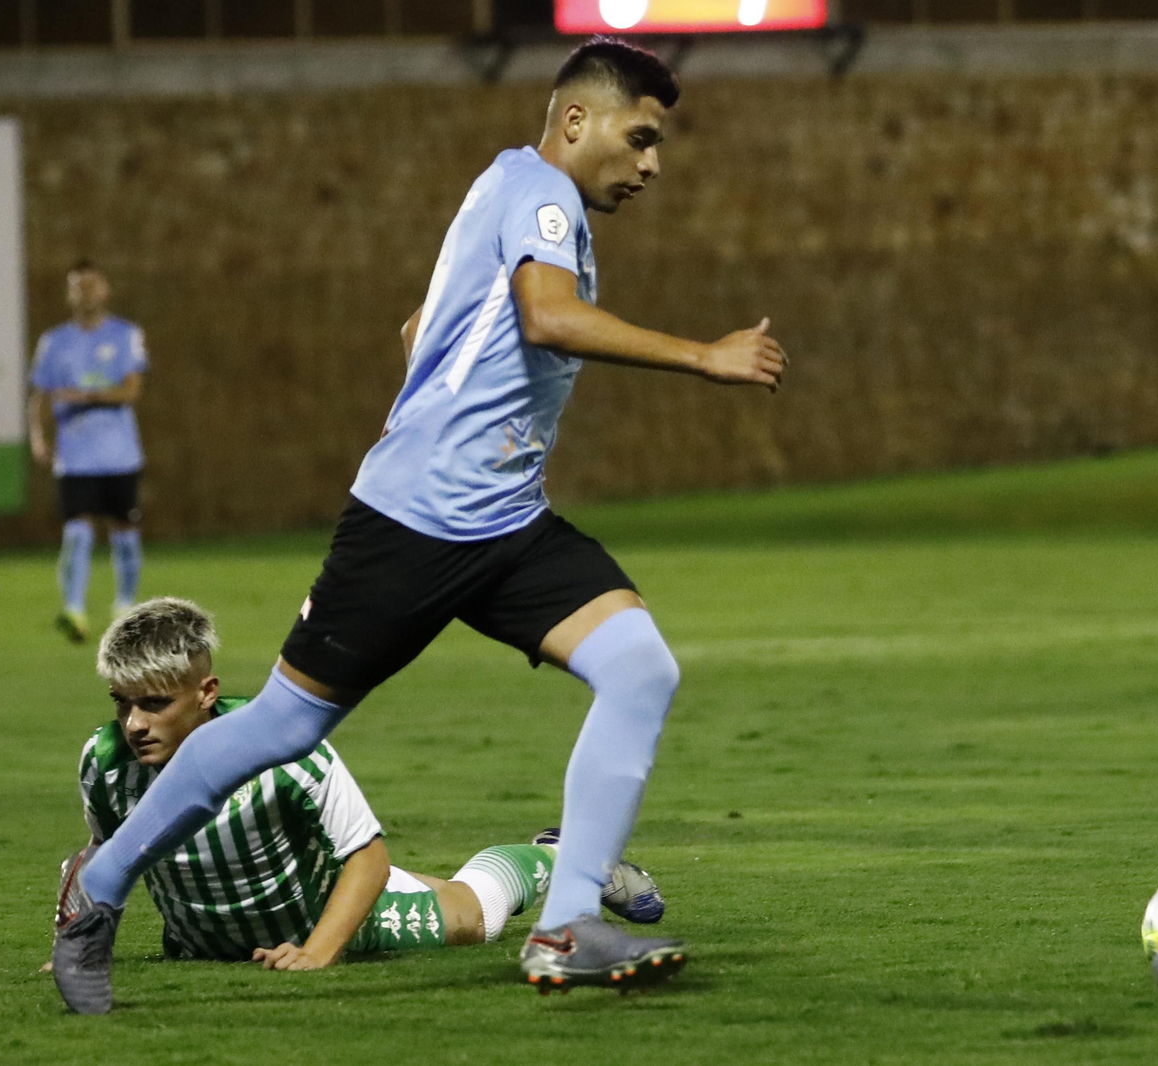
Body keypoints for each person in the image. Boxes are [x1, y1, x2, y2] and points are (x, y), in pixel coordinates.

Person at [53, 36, 787, 1012]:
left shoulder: (510, 191)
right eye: (641, 137)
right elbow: (546, 317)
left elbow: (420, 329)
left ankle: (566, 925)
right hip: (413, 527)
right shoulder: (540, 194)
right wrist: (706, 357)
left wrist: (453, 404)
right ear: (577, 121)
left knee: (640, 666)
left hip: (506, 527)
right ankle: (95, 892)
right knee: (281, 725)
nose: (651, 164)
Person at [51, 598, 664, 975]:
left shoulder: (281, 748)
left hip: (332, 911)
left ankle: (565, 856)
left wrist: (319, 952)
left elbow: (368, 860)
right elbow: (107, 859)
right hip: (214, 940)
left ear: (206, 695)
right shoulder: (102, 762)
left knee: (475, 917)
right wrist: (79, 944)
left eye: (154, 704)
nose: (134, 724)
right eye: (121, 705)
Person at [27, 259, 148, 643]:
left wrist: (87, 394)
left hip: (119, 454)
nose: (84, 292)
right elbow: (41, 396)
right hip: (75, 456)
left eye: (91, 285)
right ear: (68, 294)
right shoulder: (55, 342)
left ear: (105, 290)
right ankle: (74, 610)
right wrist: (38, 438)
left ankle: (125, 607)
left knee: (124, 529)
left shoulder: (125, 335)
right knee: (76, 530)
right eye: (77, 286)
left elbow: (131, 390)